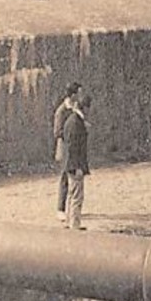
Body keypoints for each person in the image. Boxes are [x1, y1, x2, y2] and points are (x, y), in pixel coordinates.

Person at [52, 81, 82, 222]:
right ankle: (60, 209)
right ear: (73, 94)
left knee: (74, 177)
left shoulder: (75, 108)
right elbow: (57, 132)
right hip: (64, 147)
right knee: (65, 176)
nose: (80, 96)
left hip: (73, 147)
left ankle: (71, 208)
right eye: (79, 93)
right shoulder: (61, 111)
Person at [61, 93, 91, 231]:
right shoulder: (76, 122)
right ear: (84, 108)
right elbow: (74, 147)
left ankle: (69, 222)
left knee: (71, 194)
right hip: (74, 165)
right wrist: (78, 166)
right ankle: (75, 225)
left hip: (70, 163)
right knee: (77, 196)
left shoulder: (72, 120)